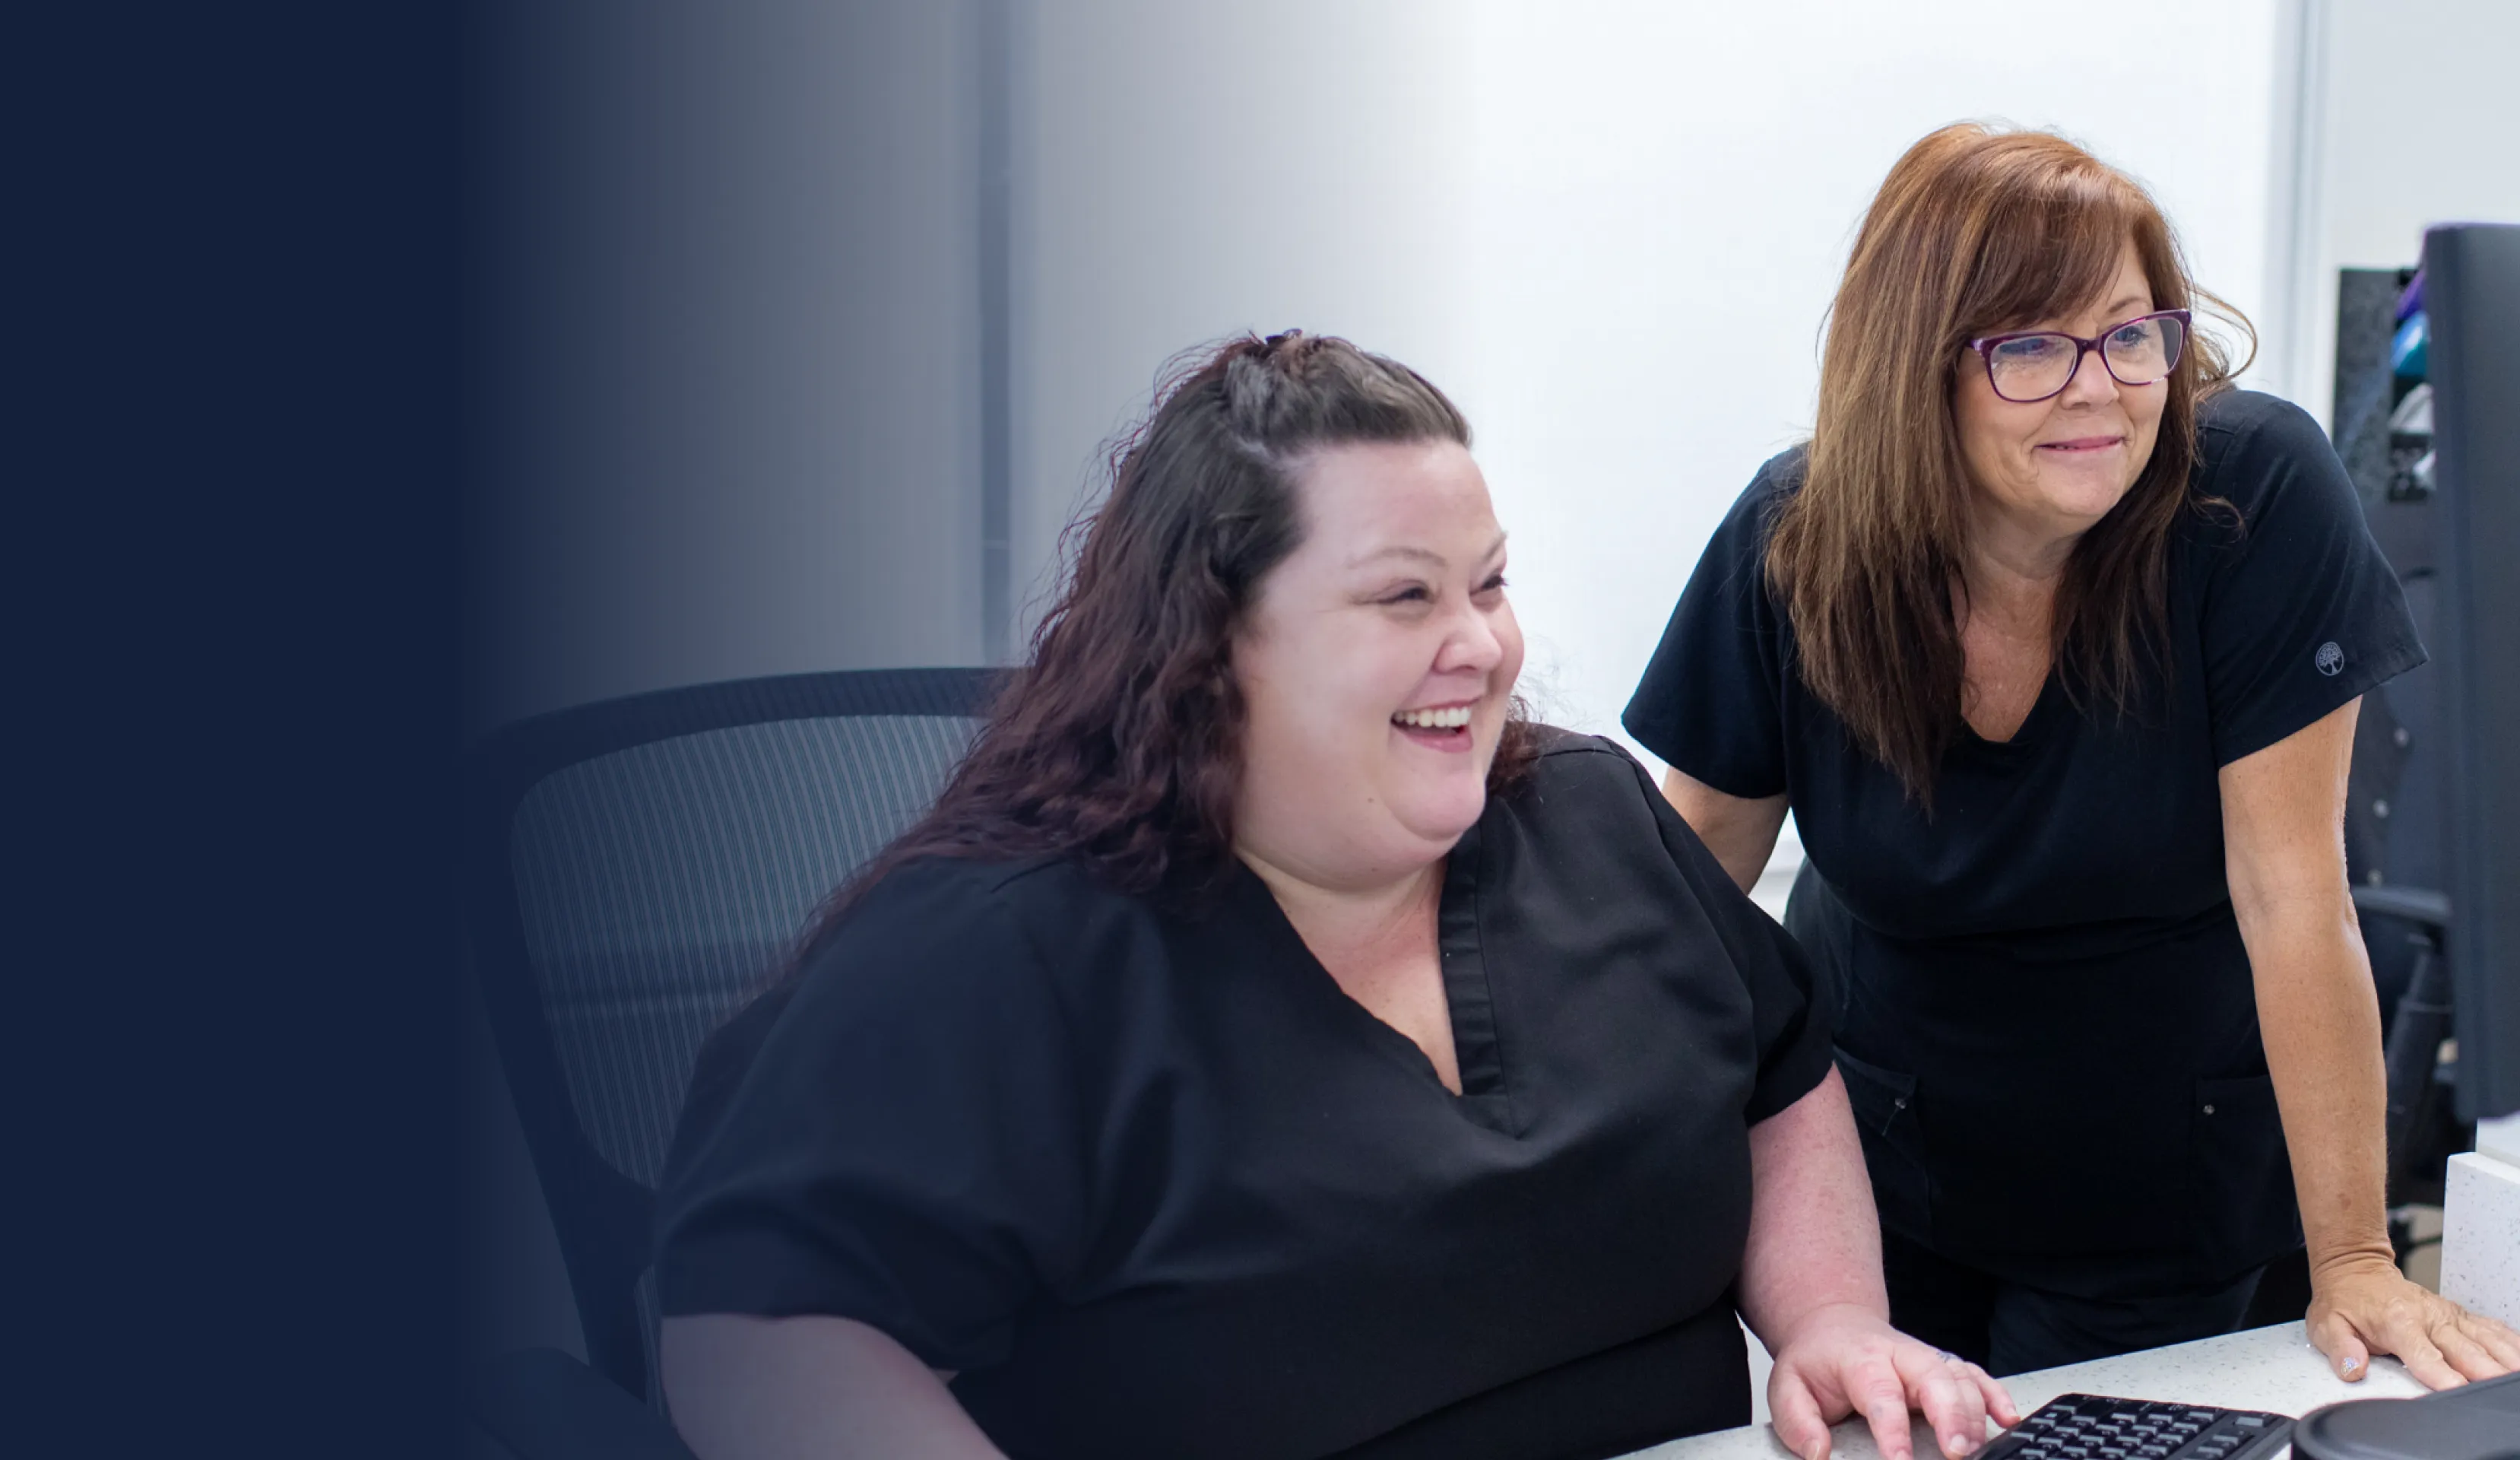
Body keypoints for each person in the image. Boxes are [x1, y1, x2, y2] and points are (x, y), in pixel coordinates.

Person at [654, 332, 2014, 1460]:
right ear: (1210, 648)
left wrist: (1833, 1319)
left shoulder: (1588, 817)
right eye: (1403, 597)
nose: (1477, 648)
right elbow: (758, 1329)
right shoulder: (1004, 948)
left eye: (1489, 585)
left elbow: (1779, 1079)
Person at [1625, 123, 2520, 1385]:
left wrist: (2358, 1261)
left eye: (2127, 331)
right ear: (1914, 370)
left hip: (2160, 1184)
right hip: (1879, 1172)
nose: (2099, 386)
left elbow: (2295, 900)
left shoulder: (2251, 500)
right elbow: (1696, 892)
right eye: (2031, 347)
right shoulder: (1800, 541)